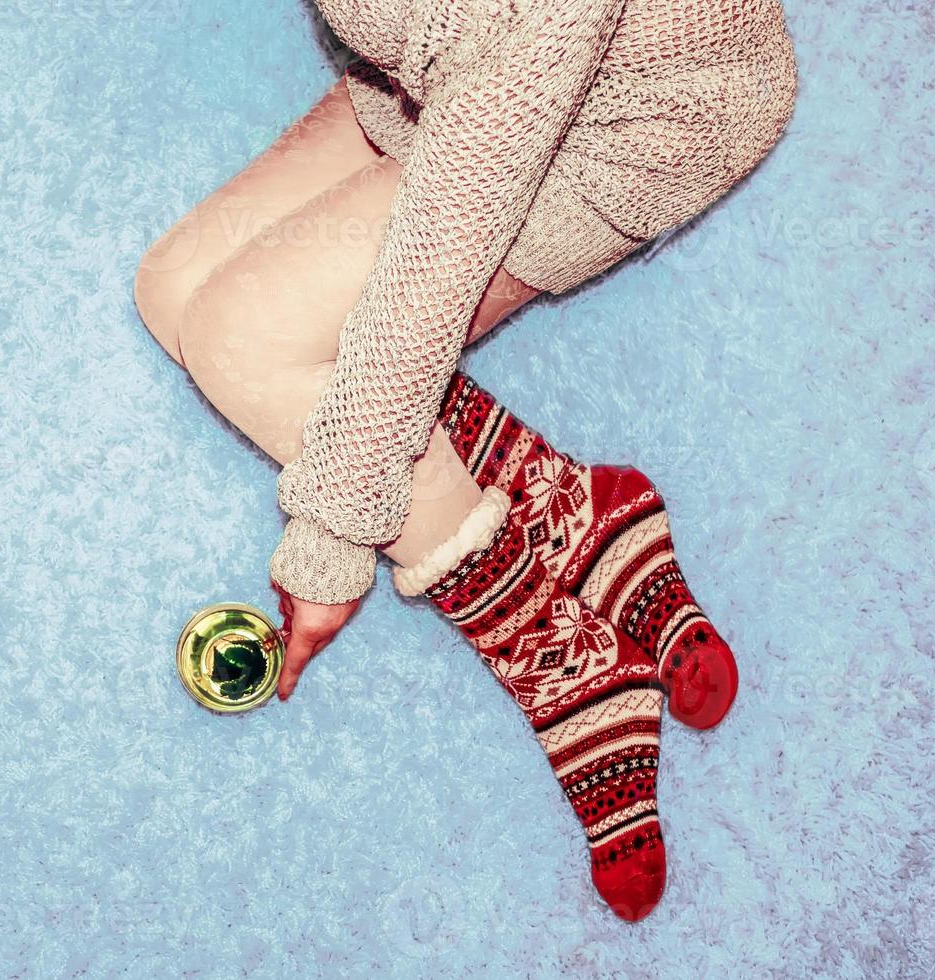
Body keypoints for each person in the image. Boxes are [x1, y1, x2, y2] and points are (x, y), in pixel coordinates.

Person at [134, 0, 797, 921]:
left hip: (627, 122)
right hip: (458, 75)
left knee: (245, 341)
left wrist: (333, 535)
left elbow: (438, 263)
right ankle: (567, 504)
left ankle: (546, 641)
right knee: (173, 291)